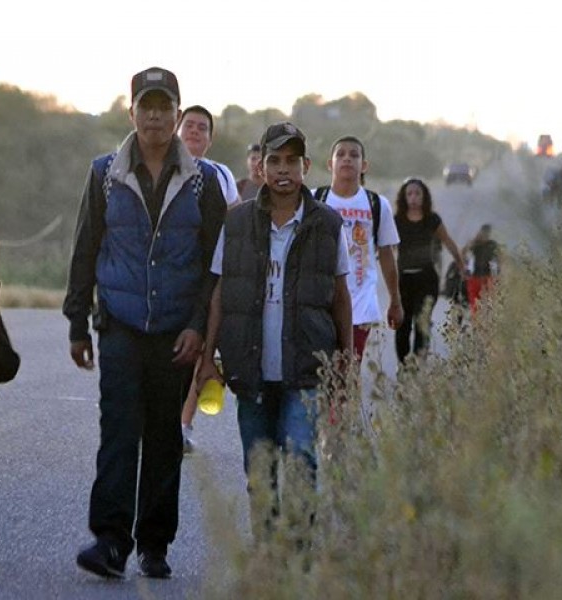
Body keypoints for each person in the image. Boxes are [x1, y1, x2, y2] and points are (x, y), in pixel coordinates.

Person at [63, 67, 226, 580]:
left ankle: (154, 545)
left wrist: (200, 328)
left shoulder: (202, 182)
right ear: (130, 111)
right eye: (146, 105)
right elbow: (86, 245)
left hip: (177, 329)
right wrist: (76, 322)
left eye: (165, 106)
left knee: (163, 439)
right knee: (118, 433)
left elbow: (213, 265)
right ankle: (109, 542)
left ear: (179, 114)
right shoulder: (104, 172)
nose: (155, 115)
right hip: (120, 323)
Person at [196, 122, 352, 525]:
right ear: (260, 168)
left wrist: (346, 362)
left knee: (302, 460)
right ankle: (268, 552)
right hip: (250, 367)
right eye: (274, 160)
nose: (283, 170)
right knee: (259, 471)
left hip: (306, 366)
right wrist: (207, 357)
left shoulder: (329, 225)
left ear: (307, 167)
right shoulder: (236, 224)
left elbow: (340, 296)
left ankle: (297, 556)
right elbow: (219, 292)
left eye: (292, 161)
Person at [176, 104, 237, 453]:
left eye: (202, 128)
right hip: (173, 275)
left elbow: (235, 218)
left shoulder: (220, 175)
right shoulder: (161, 167)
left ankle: (182, 425)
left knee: (200, 350)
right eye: (190, 125)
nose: (195, 131)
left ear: (210, 139)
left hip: (209, 275)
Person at [316, 135, 403, 362]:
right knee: (320, 375)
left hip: (360, 306)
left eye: (354, 155)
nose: (347, 159)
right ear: (330, 163)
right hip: (319, 304)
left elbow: (386, 255)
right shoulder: (315, 199)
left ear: (363, 165)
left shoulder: (376, 204)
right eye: (340, 154)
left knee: (348, 372)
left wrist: (395, 300)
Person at [393, 177, 465, 362]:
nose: (414, 197)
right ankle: (403, 364)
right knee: (403, 324)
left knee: (421, 323)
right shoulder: (396, 221)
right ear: (404, 197)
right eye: (409, 193)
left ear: (424, 197)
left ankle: (418, 363)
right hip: (403, 280)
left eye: (418, 193)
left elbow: (447, 241)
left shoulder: (432, 220)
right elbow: (384, 247)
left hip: (427, 279)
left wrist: (460, 263)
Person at [462, 223, 499, 313]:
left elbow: (499, 259)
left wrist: (498, 273)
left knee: (488, 304)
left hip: (487, 278)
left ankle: (484, 322)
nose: (485, 235)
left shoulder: (492, 245)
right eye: (484, 233)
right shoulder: (474, 244)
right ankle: (477, 323)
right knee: (475, 304)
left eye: (487, 233)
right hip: (475, 278)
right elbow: (464, 255)